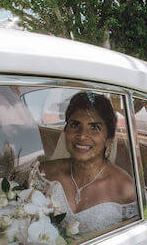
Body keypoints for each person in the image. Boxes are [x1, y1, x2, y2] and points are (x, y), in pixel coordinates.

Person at [36, 91, 137, 236]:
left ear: (108, 139)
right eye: (75, 124)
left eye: (94, 127)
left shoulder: (126, 190)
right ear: (65, 131)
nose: (82, 135)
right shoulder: (45, 172)